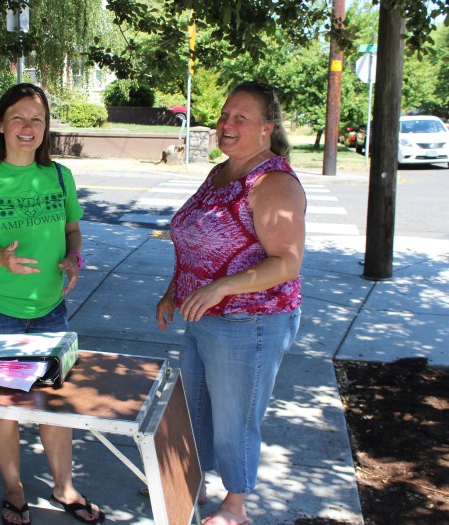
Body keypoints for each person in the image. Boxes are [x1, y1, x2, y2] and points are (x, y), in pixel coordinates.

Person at [0, 83, 104, 525]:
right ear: (0, 123)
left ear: (47, 126)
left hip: (50, 308)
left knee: (54, 399)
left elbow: (72, 231)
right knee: (3, 405)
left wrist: (74, 258)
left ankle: (64, 487)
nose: (27, 127)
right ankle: (14, 487)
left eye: (37, 118)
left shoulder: (59, 176)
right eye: (18, 117)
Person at [156, 82, 306, 525]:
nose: (226, 124)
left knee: (235, 417)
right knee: (195, 408)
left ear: (267, 129)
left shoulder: (273, 183)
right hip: (202, 313)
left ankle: (235, 505)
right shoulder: (221, 172)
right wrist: (173, 290)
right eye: (224, 115)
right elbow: (196, 243)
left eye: (241, 117)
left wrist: (222, 288)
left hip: (250, 321)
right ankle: (195, 482)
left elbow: (287, 263)